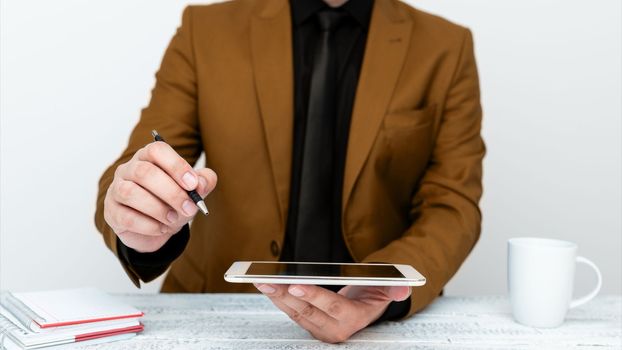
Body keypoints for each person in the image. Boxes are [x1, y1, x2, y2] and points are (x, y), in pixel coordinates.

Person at [95, 0, 484, 343]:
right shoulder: (205, 29)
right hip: (219, 317)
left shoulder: (446, 47)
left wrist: (384, 289)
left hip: (374, 324)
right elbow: (146, 162)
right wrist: (142, 222)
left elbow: (453, 202)